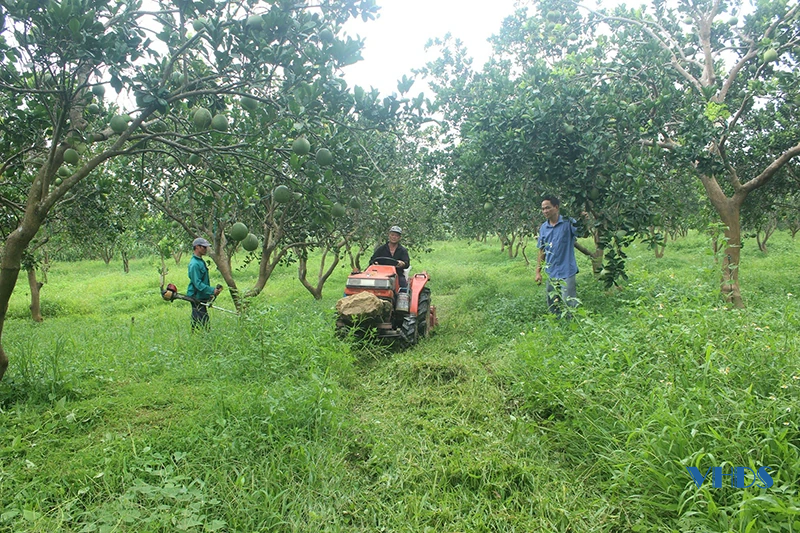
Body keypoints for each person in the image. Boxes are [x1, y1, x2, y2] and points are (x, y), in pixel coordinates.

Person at [535, 196, 591, 316]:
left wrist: (584, 222)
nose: (545, 211)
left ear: (556, 207)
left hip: (567, 270)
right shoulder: (544, 228)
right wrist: (538, 272)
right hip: (551, 271)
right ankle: (556, 326)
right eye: (543, 209)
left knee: (568, 301)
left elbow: (583, 234)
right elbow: (542, 251)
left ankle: (571, 326)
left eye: (547, 208)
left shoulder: (568, 222)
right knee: (552, 302)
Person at [187, 237, 222, 330]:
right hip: (196, 296)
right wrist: (211, 290)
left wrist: (210, 293)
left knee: (198, 321)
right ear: (197, 247)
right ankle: (200, 338)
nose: (206, 249)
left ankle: (196, 338)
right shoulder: (194, 264)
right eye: (204, 247)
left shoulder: (200, 261)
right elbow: (197, 284)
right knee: (203, 322)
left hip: (201, 295)